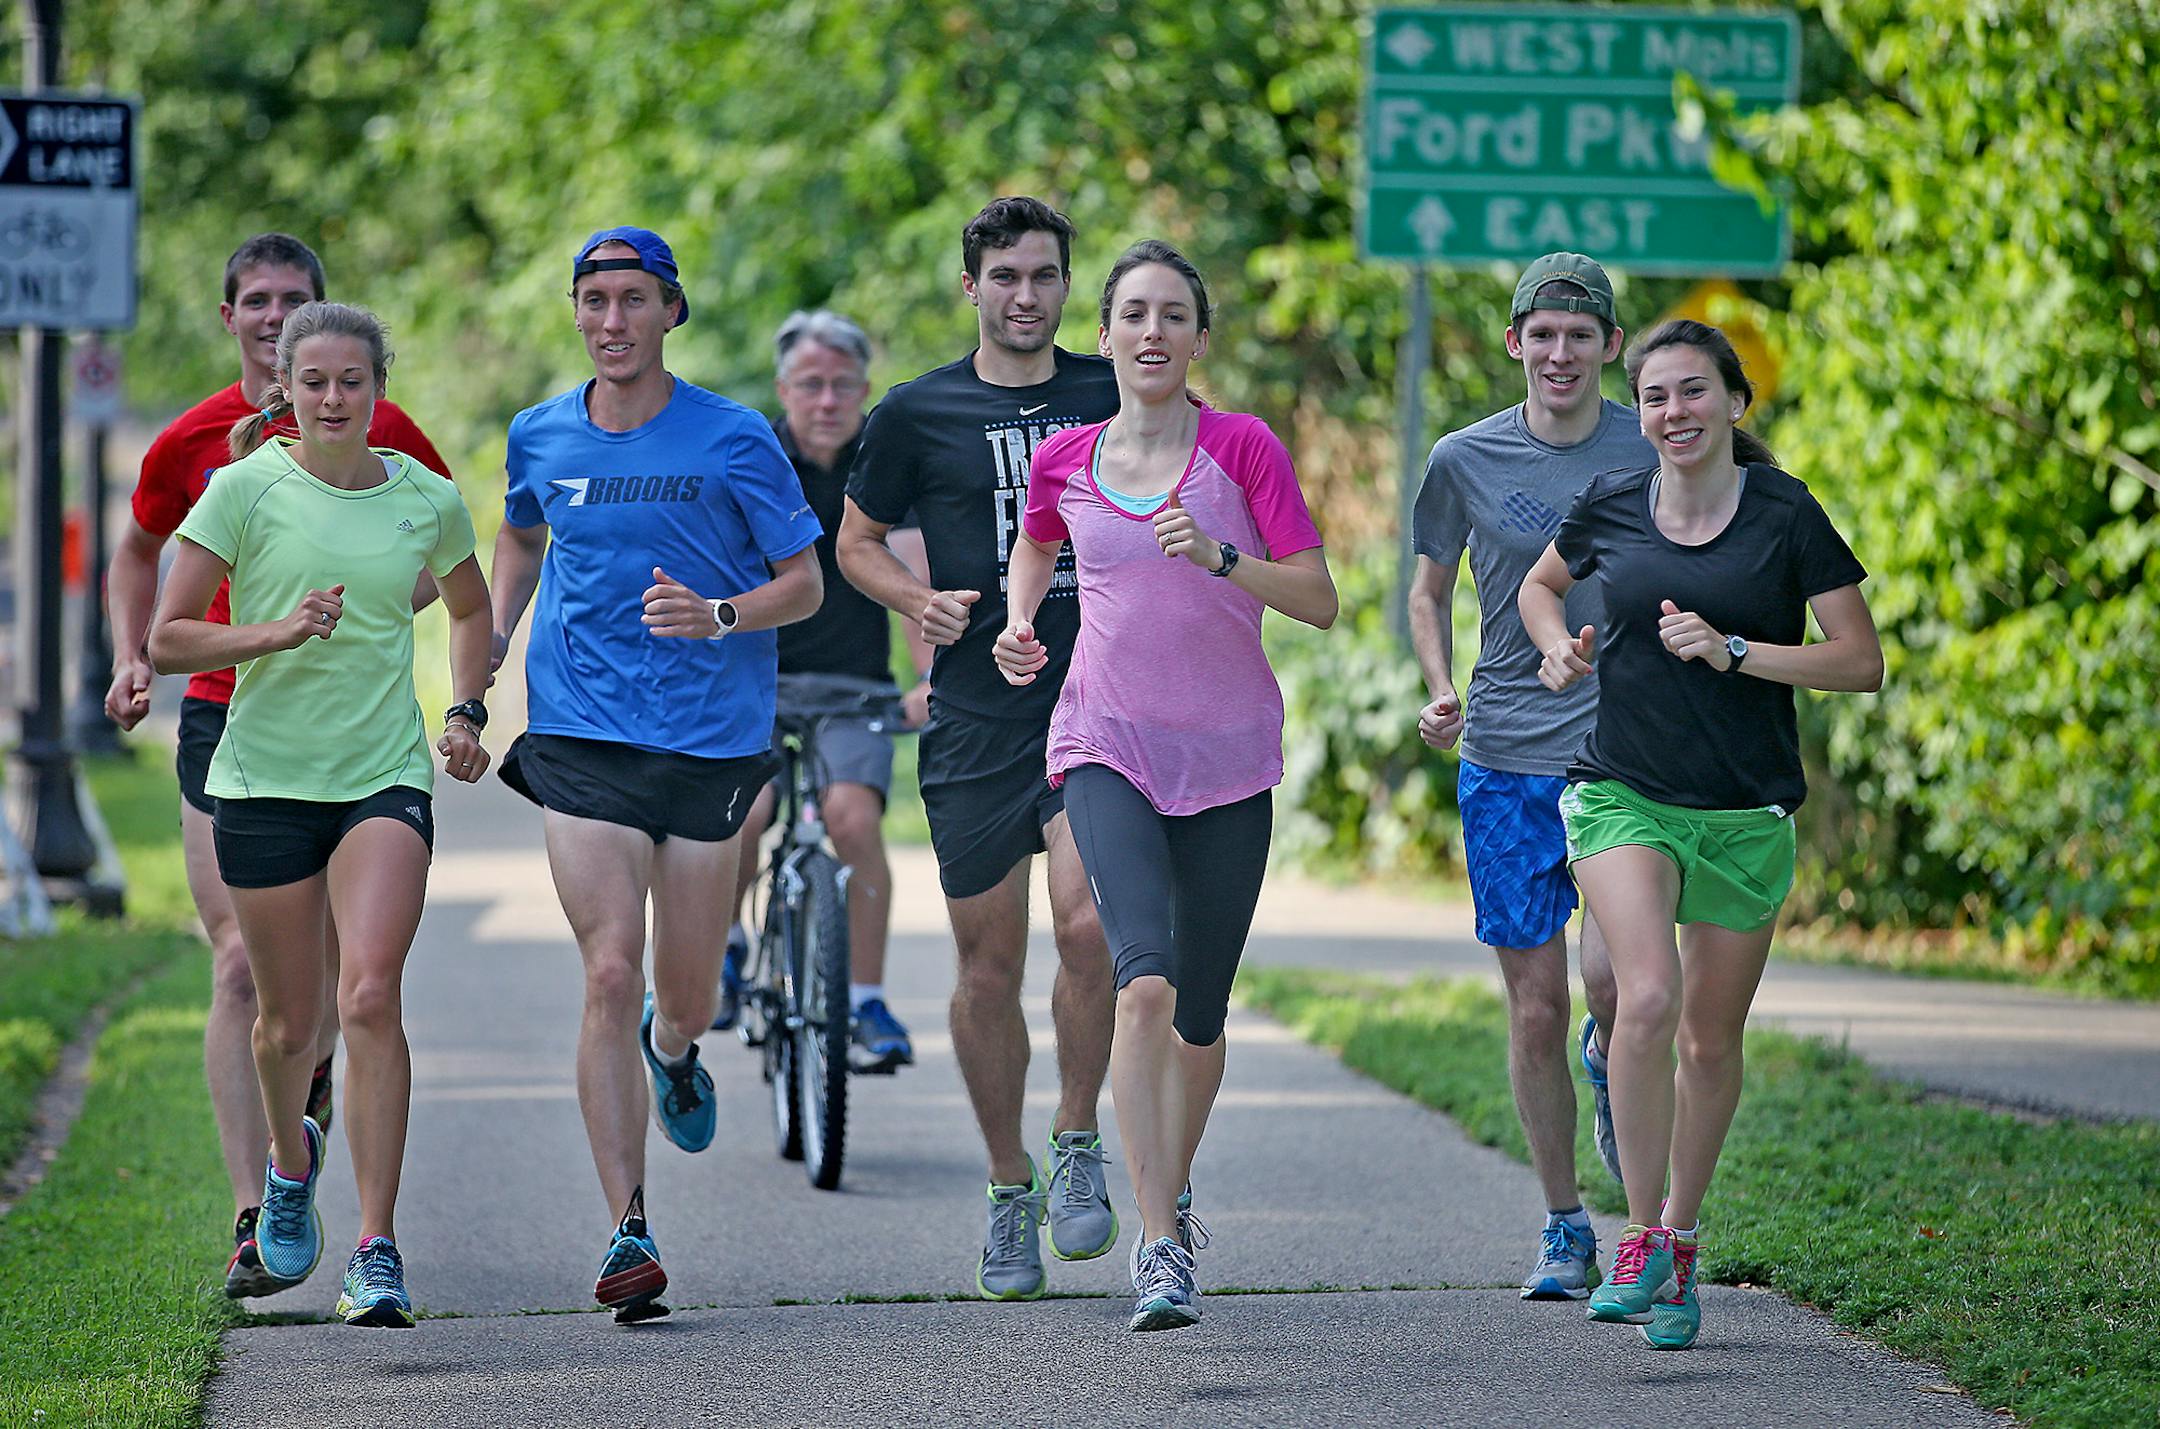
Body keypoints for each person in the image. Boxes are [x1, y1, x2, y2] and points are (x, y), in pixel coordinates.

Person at [102, 233, 455, 1299]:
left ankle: (344, 1181)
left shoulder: (380, 424)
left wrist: (376, 621)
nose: (271, 314)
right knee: (241, 970)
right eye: (254, 300)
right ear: (230, 318)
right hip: (225, 719)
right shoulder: (195, 439)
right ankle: (262, 1208)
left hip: (352, 737)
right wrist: (131, 657)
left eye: (291, 298)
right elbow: (138, 553)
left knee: (354, 984)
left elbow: (440, 550)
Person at [1519, 318, 1883, 1350]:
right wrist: (1555, 651)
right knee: (1648, 998)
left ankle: (1681, 1238)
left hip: (1745, 809)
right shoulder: (1612, 503)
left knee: (1709, 1038)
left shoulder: (1785, 514)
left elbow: (1859, 660)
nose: (1670, 413)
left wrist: (1738, 650)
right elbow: (1539, 587)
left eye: (1690, 393)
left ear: (1734, 402)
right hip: (1623, 791)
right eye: (1654, 398)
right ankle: (1636, 1235)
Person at [996, 239, 1335, 1331]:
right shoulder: (1067, 457)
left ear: (1197, 339)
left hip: (1230, 757)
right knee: (1136, 981)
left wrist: (1225, 561)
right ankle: (1158, 1245)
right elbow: (1037, 541)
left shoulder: (1242, 450)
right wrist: (1015, 618)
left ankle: (1169, 1186)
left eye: (1173, 315)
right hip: (1105, 743)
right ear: (1102, 335)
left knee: (1198, 1013)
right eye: (1132, 313)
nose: (1152, 332)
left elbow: (1321, 600)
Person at [490, 227, 823, 1322]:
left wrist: (719, 613)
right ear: (577, 313)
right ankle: (627, 1225)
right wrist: (478, 669)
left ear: (670, 312)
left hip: (711, 742)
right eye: (594, 300)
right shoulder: (539, 433)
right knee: (605, 968)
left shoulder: (735, 438)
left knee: (686, 991)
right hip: (582, 733)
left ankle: (674, 1047)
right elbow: (521, 544)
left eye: (634, 300)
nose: (612, 320)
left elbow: (805, 584)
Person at [837, 197, 1121, 1300]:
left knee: (1089, 927)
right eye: (1005, 275)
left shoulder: (1114, 391)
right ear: (972, 288)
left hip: (1099, 700)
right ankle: (1009, 1186)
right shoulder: (918, 412)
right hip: (972, 718)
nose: (1025, 294)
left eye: (1045, 275)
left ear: (1066, 286)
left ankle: (1078, 1137)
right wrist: (918, 600)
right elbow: (855, 542)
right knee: (988, 965)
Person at [1408, 251, 1645, 1300]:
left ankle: (1615, 1063)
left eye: (1579, 335)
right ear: (1514, 343)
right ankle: (1563, 1224)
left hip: (1626, 751)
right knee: (1535, 1004)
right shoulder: (1463, 457)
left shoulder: (1652, 446)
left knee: (1612, 984)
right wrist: (1434, 682)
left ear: (1611, 348)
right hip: (1502, 751)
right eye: (1540, 334)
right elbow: (1426, 589)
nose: (1559, 352)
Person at [715, 309, 916, 1072]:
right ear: (783, 389)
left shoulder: (887, 459)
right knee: (746, 810)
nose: (826, 400)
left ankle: (865, 999)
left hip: (854, 687)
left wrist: (926, 679)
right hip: (754, 678)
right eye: (810, 384)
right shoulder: (749, 454)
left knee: (851, 817)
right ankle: (730, 948)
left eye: (841, 385)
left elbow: (913, 569)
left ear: (865, 389)